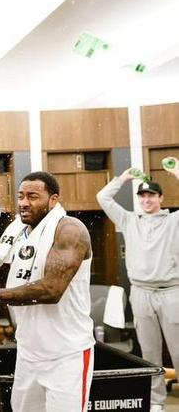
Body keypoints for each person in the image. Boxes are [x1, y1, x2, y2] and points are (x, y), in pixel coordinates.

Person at [0, 172, 94, 412]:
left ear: (53, 199)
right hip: (28, 351)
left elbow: (51, 290)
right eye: (21, 196)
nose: (24, 203)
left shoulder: (69, 230)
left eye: (33, 197)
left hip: (66, 354)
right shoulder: (18, 232)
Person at [96, 167, 179, 411]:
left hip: (171, 291)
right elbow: (102, 197)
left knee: (178, 349)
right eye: (142, 196)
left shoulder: (173, 221)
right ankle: (156, 401)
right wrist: (123, 178)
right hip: (141, 292)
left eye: (151, 195)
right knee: (149, 352)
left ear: (161, 198)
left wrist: (177, 172)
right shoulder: (129, 220)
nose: (146, 200)